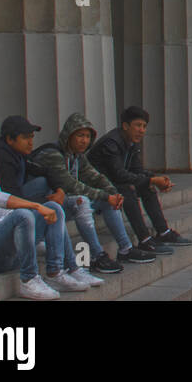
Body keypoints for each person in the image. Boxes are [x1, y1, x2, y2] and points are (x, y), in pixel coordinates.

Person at [0, 138, 95, 299]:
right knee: (23, 214)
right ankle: (29, 279)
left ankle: (59, 273)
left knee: (54, 208)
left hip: (6, 251)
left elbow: (4, 215)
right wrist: (35, 206)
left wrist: (35, 234)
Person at [29, 111, 156, 273]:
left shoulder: (77, 156)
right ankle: (97, 256)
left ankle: (126, 249)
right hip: (41, 208)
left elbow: (95, 177)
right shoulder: (53, 154)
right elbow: (70, 185)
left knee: (106, 201)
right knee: (82, 201)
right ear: (69, 135)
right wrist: (106, 196)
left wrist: (112, 193)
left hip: (61, 204)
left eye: (88, 137)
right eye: (80, 135)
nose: (84, 141)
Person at [89, 106, 192, 255]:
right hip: (96, 187)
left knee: (146, 185)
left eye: (144, 126)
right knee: (127, 190)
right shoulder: (111, 143)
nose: (142, 130)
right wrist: (152, 180)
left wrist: (157, 180)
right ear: (125, 126)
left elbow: (137, 170)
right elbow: (118, 174)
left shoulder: (131, 143)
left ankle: (163, 232)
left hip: (113, 183)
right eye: (138, 125)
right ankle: (144, 240)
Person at [0, 115, 53, 203]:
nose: (30, 142)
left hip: (17, 195)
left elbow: (45, 171)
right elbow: (11, 197)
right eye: (25, 138)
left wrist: (60, 190)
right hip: (3, 204)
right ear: (10, 139)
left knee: (46, 181)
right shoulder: (2, 159)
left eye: (31, 137)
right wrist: (46, 201)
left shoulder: (20, 153)